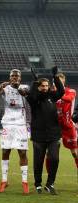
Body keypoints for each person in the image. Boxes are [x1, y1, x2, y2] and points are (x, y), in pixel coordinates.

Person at [26, 67, 64, 195]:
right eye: (42, 86)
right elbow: (31, 95)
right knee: (38, 161)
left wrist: (55, 76)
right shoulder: (34, 99)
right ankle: (38, 184)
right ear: (38, 87)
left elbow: (62, 91)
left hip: (53, 133)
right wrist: (35, 83)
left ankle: (50, 184)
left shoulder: (52, 96)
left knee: (54, 158)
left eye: (47, 85)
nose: (45, 87)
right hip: (38, 135)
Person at [0, 69, 30, 194]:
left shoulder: (25, 87)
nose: (14, 78)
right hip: (7, 124)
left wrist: (17, 87)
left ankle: (24, 182)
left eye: (17, 76)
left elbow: (24, 93)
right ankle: (4, 180)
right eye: (12, 76)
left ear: (20, 78)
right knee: (5, 151)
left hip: (20, 124)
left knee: (22, 153)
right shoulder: (5, 88)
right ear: (10, 77)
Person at [49, 73, 78, 172]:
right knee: (50, 153)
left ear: (63, 81)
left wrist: (56, 94)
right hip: (54, 126)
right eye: (55, 82)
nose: (57, 84)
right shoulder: (51, 92)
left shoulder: (71, 91)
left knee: (74, 152)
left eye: (59, 81)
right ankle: (50, 176)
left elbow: (69, 99)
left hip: (68, 125)